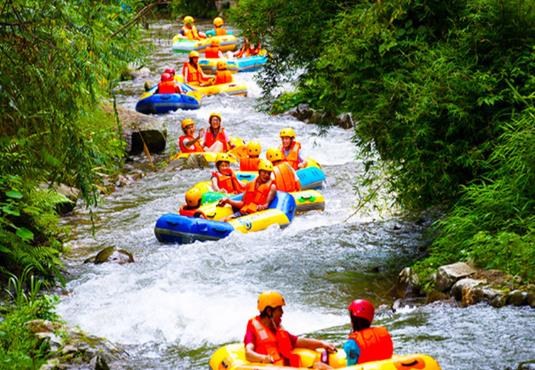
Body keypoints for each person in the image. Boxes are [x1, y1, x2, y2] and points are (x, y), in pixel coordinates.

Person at [244, 291, 336, 368]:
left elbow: (299, 341)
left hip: (285, 367)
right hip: (271, 367)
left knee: (319, 366)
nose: (282, 312)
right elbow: (248, 353)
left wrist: (322, 344)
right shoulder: (253, 330)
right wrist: (264, 358)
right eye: (279, 309)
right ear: (269, 311)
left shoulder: (278, 329)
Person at [343, 299, 393, 366]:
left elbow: (351, 367)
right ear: (371, 319)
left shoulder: (350, 344)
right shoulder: (383, 334)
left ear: (352, 322)